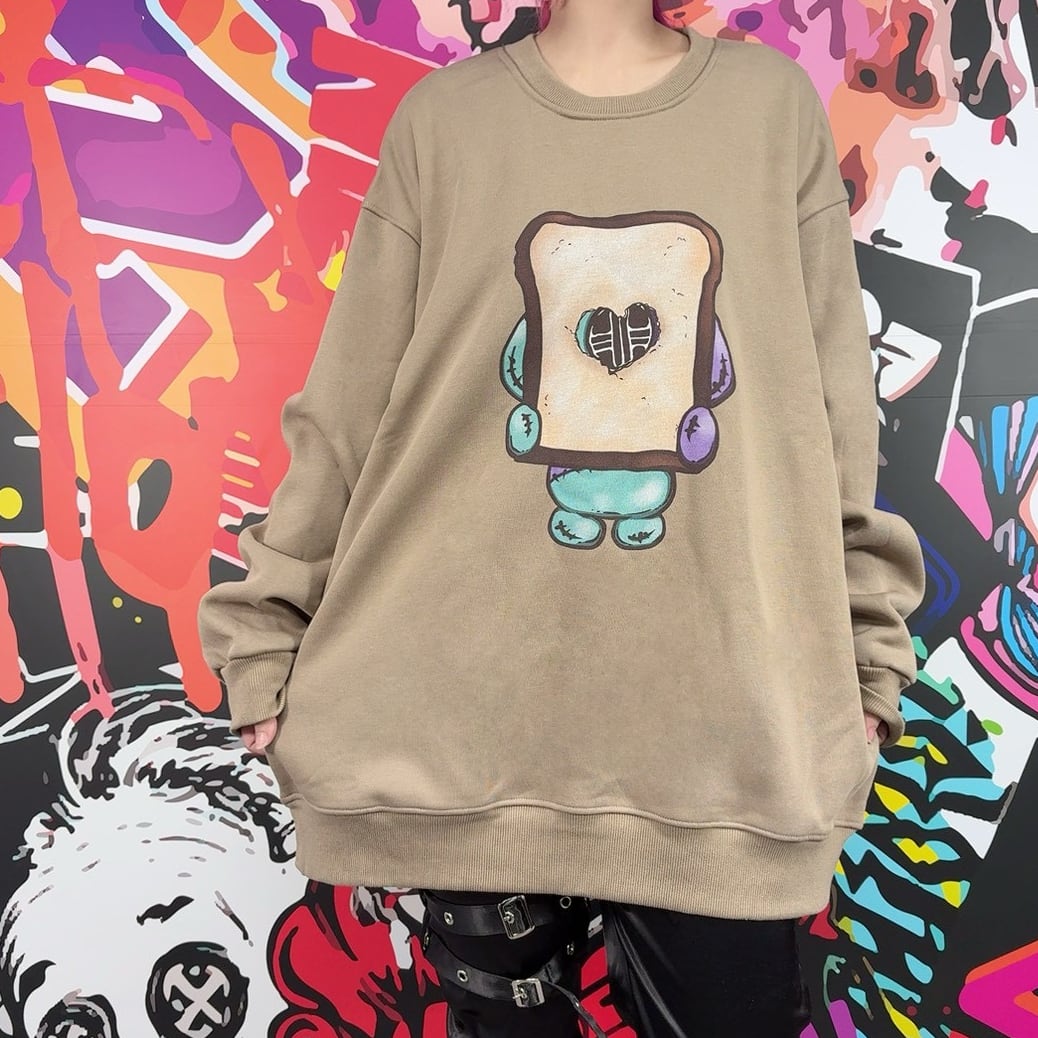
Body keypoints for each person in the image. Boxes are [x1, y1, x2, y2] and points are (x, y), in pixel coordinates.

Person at [196, 0, 927, 1034]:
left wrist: (867, 653)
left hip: (728, 739)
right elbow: (348, 406)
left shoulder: (771, 111)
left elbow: (837, 415)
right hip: (461, 720)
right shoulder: (445, 122)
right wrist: (267, 628)